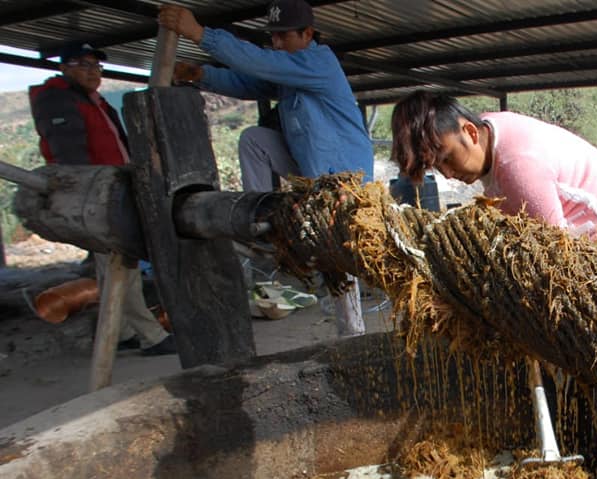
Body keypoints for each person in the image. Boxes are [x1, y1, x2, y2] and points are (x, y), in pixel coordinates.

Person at [158, 0, 374, 337]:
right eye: (272, 37)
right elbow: (249, 82)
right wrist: (203, 75)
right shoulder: (288, 74)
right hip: (310, 172)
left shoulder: (318, 61)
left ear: (308, 34)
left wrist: (201, 35)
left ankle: (354, 336)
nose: (276, 44)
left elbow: (258, 62)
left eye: (283, 37)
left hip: (344, 181)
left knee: (337, 261)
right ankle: (260, 214)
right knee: (254, 140)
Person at [390, 91, 597, 264]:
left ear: (470, 132)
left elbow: (554, 255)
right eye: (437, 166)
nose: (448, 173)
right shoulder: (488, 128)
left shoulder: (518, 164)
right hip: (591, 242)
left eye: (447, 158)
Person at [29, 43, 177, 357]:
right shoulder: (57, 100)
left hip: (114, 189)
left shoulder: (94, 101)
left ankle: (121, 332)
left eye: (96, 66)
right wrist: (82, 192)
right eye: (83, 64)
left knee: (112, 262)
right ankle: (152, 336)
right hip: (94, 196)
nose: (92, 71)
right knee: (121, 261)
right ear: (64, 67)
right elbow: (70, 152)